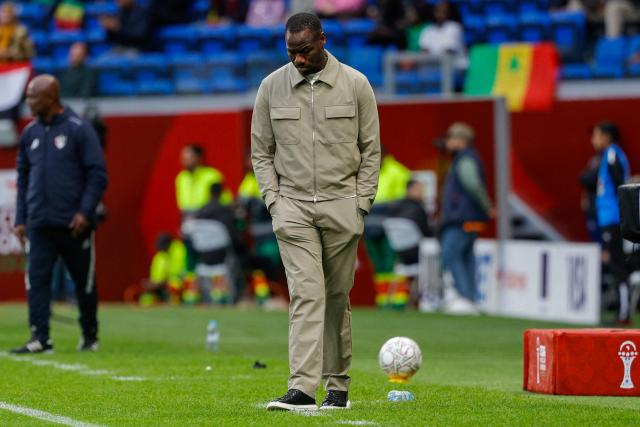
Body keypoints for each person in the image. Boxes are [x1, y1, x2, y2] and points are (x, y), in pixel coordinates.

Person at [252, 12, 380, 410]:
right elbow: (261, 152)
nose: (298, 60)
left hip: (343, 206)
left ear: (323, 40)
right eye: (291, 52)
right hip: (292, 208)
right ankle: (302, 388)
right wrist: (274, 201)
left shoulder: (356, 84)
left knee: (336, 298)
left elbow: (371, 150)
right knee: (307, 295)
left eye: (305, 51)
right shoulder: (271, 87)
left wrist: (361, 203)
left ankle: (337, 388)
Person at [11, 74, 108, 354]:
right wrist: (20, 217)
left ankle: (90, 335)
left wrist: (85, 212)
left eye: (33, 96)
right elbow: (23, 178)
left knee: (83, 283)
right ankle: (40, 337)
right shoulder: (30, 134)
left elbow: (97, 174)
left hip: (74, 224)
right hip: (39, 224)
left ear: (51, 98)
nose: (28, 101)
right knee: (37, 281)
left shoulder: (79, 129)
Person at [439, 122, 493, 306]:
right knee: (466, 255)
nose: (447, 143)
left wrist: (487, 206)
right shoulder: (467, 158)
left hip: (462, 219)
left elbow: (473, 184)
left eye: (451, 138)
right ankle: (470, 298)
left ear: (461, 140)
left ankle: (465, 297)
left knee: (451, 254)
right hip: (469, 219)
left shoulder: (464, 160)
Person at [591, 121, 631, 324]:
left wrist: (624, 216)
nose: (593, 140)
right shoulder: (607, 156)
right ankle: (620, 312)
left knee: (618, 265)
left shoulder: (613, 155)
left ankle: (624, 313)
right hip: (608, 218)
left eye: (596, 135)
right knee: (614, 264)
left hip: (614, 218)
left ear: (607, 136)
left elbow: (621, 188)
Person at [418, 1, 468, 70]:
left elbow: (448, 52)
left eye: (443, 11)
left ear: (448, 13)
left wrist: (432, 57)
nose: (440, 14)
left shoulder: (454, 27)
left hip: (455, 68)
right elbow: (424, 51)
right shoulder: (428, 30)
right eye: (438, 11)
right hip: (434, 68)